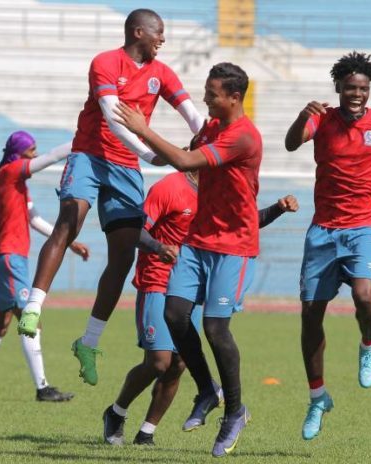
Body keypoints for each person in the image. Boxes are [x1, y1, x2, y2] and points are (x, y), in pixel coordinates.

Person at [16, 8, 205, 387]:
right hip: (89, 155)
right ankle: (33, 306)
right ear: (139, 32)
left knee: (122, 257)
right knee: (70, 222)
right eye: (159, 33)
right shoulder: (105, 62)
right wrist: (151, 154)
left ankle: (88, 342)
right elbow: (111, 116)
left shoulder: (162, 73)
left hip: (125, 167)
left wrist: (210, 143)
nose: (162, 40)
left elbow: (192, 115)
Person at [115, 62, 263, 457]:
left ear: (234, 97)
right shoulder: (212, 127)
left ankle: (234, 411)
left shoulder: (243, 137)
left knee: (216, 329)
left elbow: (185, 162)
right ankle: (205, 391)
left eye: (212, 93)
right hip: (198, 241)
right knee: (174, 314)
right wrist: (139, 141)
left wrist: (142, 128)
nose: (204, 98)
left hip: (234, 246)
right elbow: (179, 157)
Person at [102, 168, 299, 447]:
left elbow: (242, 224)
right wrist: (159, 248)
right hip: (158, 281)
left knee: (180, 363)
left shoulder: (217, 192)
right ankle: (116, 412)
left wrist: (278, 208)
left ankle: (146, 432)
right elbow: (137, 231)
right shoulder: (168, 188)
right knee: (159, 361)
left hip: (193, 287)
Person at [284, 51, 371, 441]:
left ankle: (368, 344)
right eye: (350, 88)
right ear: (339, 88)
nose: (357, 94)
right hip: (323, 231)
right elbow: (292, 144)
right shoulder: (321, 118)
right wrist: (300, 116)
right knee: (311, 315)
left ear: (369, 90)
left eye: (363, 88)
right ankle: (317, 397)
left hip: (363, 228)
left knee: (364, 296)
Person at [0, 131, 89, 402]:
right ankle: (43, 388)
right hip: (10, 258)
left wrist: (67, 242)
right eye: (31, 150)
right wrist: (83, 141)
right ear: (19, 153)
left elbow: (33, 218)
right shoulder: (10, 172)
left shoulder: (15, 181)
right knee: (31, 320)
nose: (35, 154)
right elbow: (51, 158)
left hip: (8, 258)